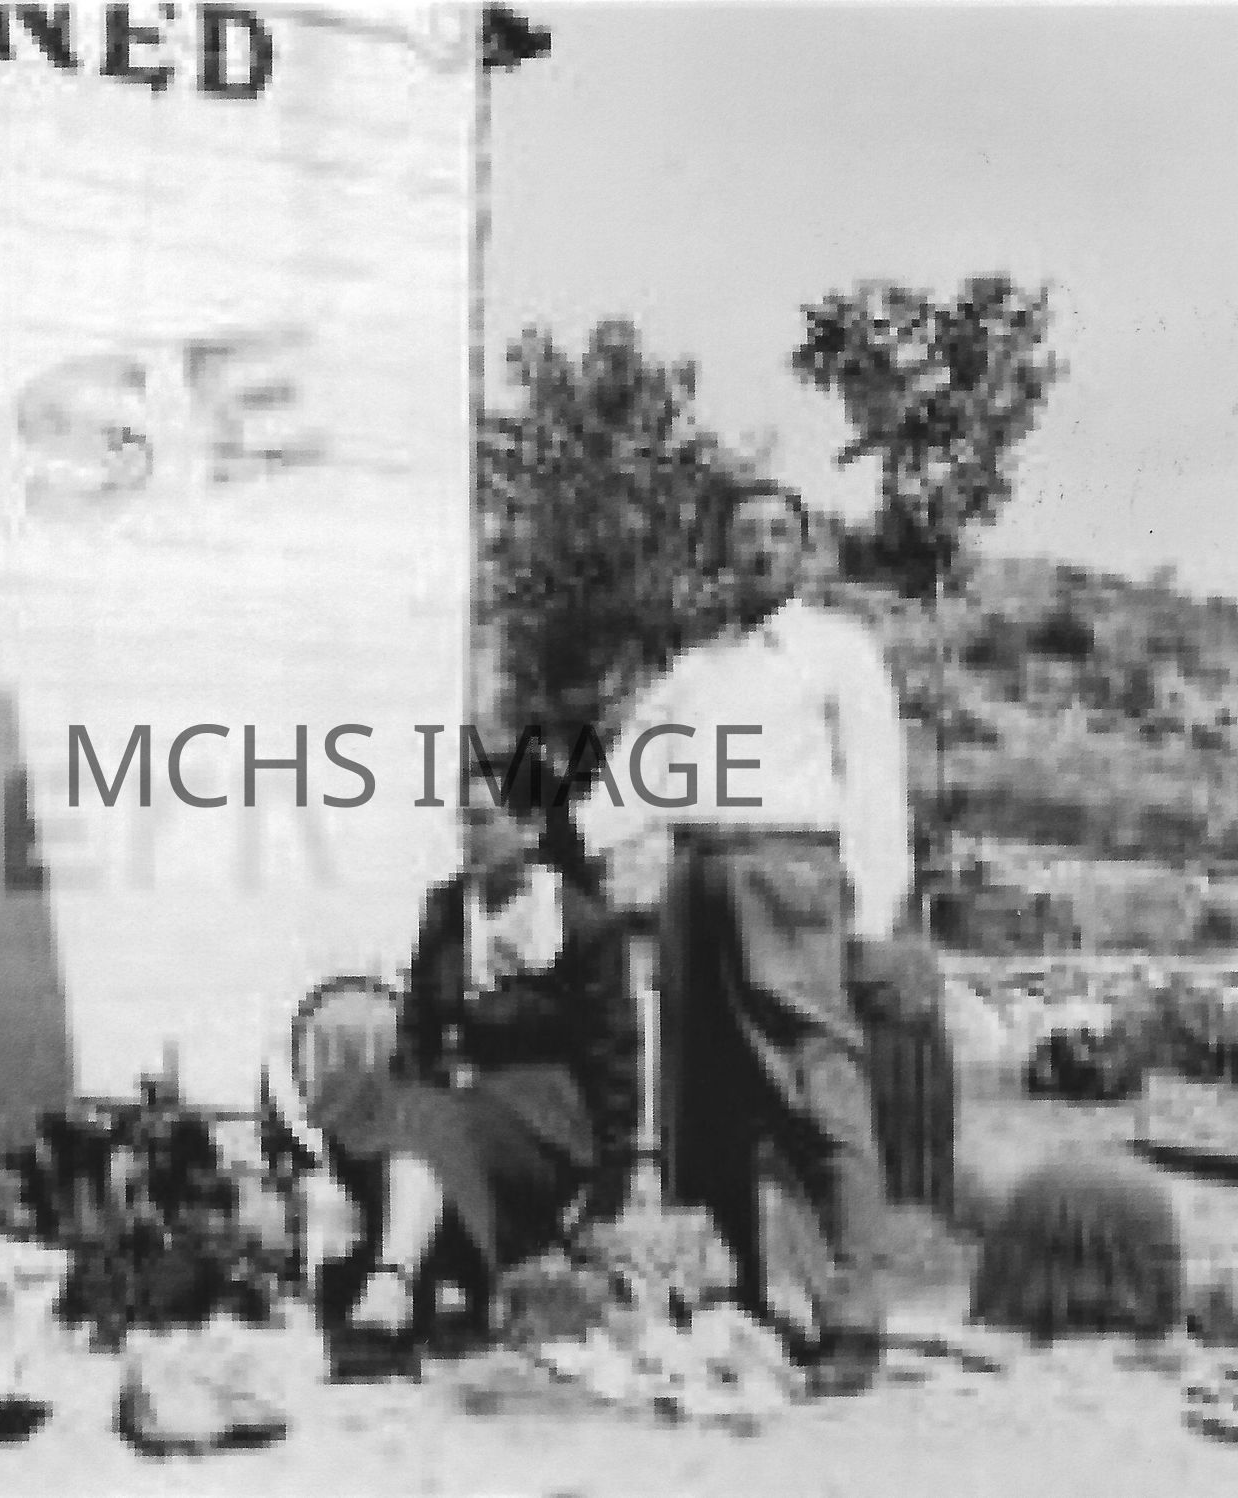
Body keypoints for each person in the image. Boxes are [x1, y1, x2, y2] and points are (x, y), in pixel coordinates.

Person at [576, 480, 914, 1396]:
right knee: (700, 1103)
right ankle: (727, 1296)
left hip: (789, 876)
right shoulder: (697, 669)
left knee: (818, 1091)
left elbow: (874, 787)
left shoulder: (838, 650)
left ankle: (852, 1312)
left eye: (778, 534)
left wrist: (873, 920)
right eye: (745, 536)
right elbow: (632, 778)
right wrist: (561, 847)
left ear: (804, 553)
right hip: (696, 878)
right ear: (724, 556)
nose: (761, 549)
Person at [307, 750, 640, 1363]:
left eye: (484, 820)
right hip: (461, 1106)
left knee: (429, 1123)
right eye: (463, 820)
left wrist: (609, 1189)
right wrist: (417, 1090)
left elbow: (614, 1058)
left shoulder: (581, 924)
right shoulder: (447, 911)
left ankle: (392, 1285)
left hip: (544, 1122)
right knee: (357, 1110)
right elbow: (416, 1031)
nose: (468, 835)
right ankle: (414, 1265)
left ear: (531, 828)